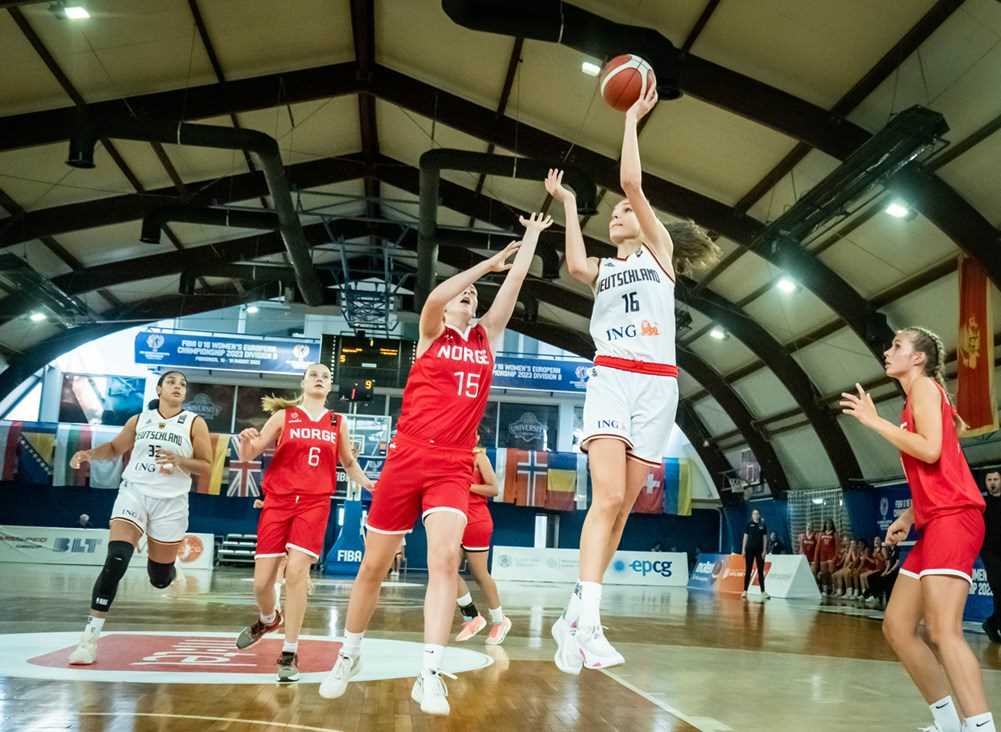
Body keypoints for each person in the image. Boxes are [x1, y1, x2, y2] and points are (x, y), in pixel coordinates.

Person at [319, 212, 552, 715]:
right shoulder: (431, 333)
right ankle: (349, 654)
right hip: (406, 456)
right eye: (462, 296)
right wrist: (485, 265)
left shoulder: (488, 337)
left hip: (452, 463)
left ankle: (429, 672)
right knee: (373, 567)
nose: (468, 298)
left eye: (473, 297)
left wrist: (531, 238)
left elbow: (513, 286)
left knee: (446, 560)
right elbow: (433, 298)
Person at [545, 82, 721, 674]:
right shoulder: (601, 269)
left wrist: (630, 119)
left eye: (624, 213)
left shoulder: (660, 255)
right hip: (613, 378)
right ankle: (589, 621)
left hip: (660, 386)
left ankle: (575, 616)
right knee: (610, 496)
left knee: (622, 511)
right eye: (617, 214)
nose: (619, 214)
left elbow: (632, 183)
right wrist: (568, 205)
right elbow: (572, 265)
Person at [841, 326, 994, 732]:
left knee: (944, 630)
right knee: (897, 626)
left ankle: (980, 727)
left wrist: (874, 423)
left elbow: (930, 449)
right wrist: (909, 514)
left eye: (896, 346)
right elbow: (940, 466)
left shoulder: (925, 389)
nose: (887, 351)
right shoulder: (916, 400)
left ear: (919, 358)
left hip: (956, 519)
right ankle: (947, 722)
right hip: (935, 520)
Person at [233, 363, 372, 682]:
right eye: (315, 375)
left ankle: (289, 652)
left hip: (314, 503)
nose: (320, 379)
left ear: (330, 386)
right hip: (278, 502)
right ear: (304, 382)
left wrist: (368, 483)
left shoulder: (338, 421)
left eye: (325, 376)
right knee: (261, 582)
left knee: (296, 573)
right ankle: (269, 619)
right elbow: (248, 455)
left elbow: (348, 462)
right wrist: (245, 439)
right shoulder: (284, 416)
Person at [66, 370, 211, 665]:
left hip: (171, 502)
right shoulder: (139, 420)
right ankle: (89, 638)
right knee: (116, 558)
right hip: (135, 492)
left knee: (158, 579)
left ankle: (169, 569)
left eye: (183, 384)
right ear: (158, 389)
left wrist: (180, 460)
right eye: (171, 382)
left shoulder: (194, 423)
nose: (178, 387)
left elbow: (206, 466)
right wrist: (89, 454)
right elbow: (115, 448)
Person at [454, 436, 510, 645]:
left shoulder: (479, 457)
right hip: (454, 518)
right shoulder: (449, 455)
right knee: (446, 570)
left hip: (476, 519)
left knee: (479, 574)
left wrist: (467, 486)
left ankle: (499, 620)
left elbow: (494, 489)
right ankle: (472, 617)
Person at [981, 470, 1001, 643]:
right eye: (989, 479)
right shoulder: (982, 504)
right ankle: (995, 624)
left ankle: (992, 623)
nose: (992, 482)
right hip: (990, 553)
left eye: (995, 479)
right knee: (999, 589)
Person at [741, 509, 769, 600]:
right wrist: (743, 550)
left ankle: (763, 591)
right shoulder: (748, 525)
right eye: (754, 514)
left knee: (760, 571)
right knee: (748, 570)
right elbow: (745, 537)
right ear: (752, 516)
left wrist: (764, 550)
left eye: (757, 514)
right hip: (749, 550)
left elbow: (765, 538)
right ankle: (745, 591)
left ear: (759, 515)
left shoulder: (762, 525)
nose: (755, 515)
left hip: (760, 551)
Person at [816, 519, 839, 595]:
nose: (828, 525)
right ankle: (825, 589)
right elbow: (818, 546)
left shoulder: (834, 534)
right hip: (823, 556)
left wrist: (835, 557)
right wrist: (816, 558)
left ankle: (834, 589)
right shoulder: (821, 534)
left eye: (830, 524)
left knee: (832, 573)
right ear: (825, 525)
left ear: (832, 525)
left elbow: (837, 547)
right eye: (827, 524)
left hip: (831, 555)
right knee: (824, 573)